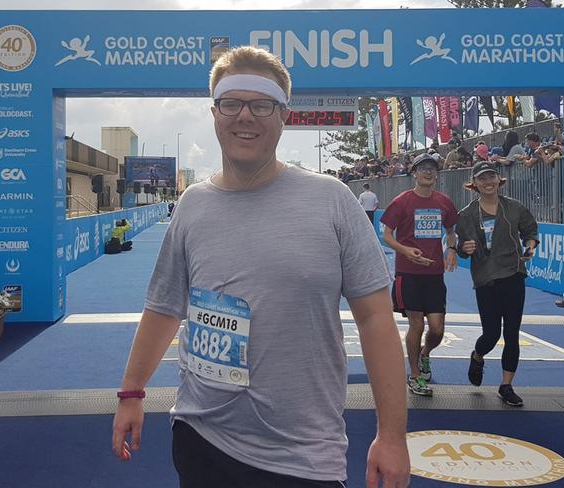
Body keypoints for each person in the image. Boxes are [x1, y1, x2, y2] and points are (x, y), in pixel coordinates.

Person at [112, 46, 410, 488]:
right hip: (200, 437)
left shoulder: (332, 201)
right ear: (215, 113)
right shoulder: (193, 204)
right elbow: (164, 308)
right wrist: (132, 392)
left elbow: (375, 319)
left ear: (283, 114)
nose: (245, 116)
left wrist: (392, 436)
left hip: (304, 454)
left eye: (262, 104)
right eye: (232, 103)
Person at [455, 161, 538, 407]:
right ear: (475, 184)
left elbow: (530, 230)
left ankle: (506, 385)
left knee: (512, 333)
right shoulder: (466, 215)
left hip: (513, 273)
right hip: (485, 278)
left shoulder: (515, 208)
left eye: (492, 177)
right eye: (482, 178)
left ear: (499, 180)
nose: (488, 182)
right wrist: (463, 248)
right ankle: (478, 356)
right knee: (491, 334)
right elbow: (460, 247)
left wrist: (530, 244)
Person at [381, 153, 458, 397]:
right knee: (417, 323)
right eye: (423, 168)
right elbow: (387, 234)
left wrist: (452, 249)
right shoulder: (402, 201)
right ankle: (414, 376)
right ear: (414, 173)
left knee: (437, 329)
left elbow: (451, 231)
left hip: (434, 274)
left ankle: (425, 354)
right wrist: (405, 251)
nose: (428, 172)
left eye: (432, 169)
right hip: (408, 273)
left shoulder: (444, 202)